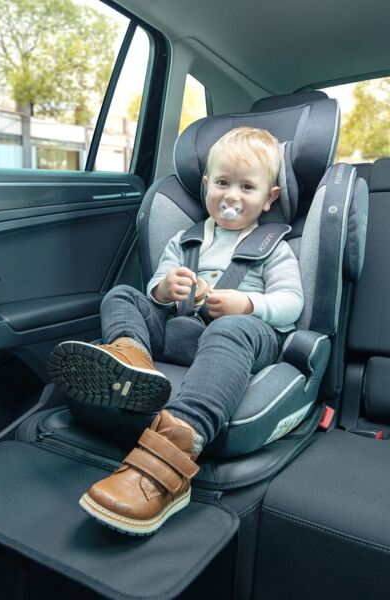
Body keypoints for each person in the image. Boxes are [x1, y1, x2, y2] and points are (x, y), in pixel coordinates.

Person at [48, 127, 304, 535]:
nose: (232, 196)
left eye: (247, 187)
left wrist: (248, 304)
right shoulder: (186, 240)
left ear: (270, 197)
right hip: (180, 331)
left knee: (231, 328)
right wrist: (165, 288)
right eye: (222, 183)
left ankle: (176, 446)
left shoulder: (275, 248)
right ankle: (131, 357)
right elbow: (157, 287)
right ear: (206, 184)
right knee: (123, 295)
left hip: (244, 339)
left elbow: (292, 302)